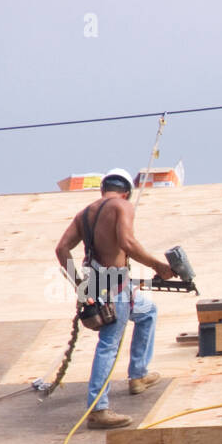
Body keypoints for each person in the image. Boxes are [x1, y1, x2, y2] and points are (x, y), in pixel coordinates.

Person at [54, 168, 173, 430]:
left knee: (147, 311)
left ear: (103, 188)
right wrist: (159, 266)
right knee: (109, 343)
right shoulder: (122, 206)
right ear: (127, 192)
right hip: (114, 286)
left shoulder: (84, 214)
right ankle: (98, 409)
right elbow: (127, 243)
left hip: (98, 283)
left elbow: (61, 248)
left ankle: (138, 376)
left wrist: (78, 284)